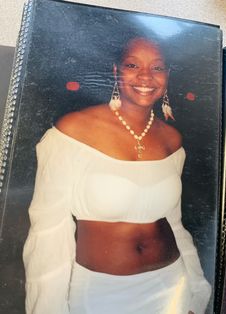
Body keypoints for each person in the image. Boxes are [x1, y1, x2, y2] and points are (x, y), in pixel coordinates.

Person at [23, 37, 211, 314]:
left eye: (157, 67)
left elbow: (175, 223)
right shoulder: (73, 130)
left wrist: (196, 289)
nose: (145, 76)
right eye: (132, 64)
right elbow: (48, 231)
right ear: (115, 71)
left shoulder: (172, 139)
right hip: (100, 292)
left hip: (171, 284)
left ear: (167, 75)